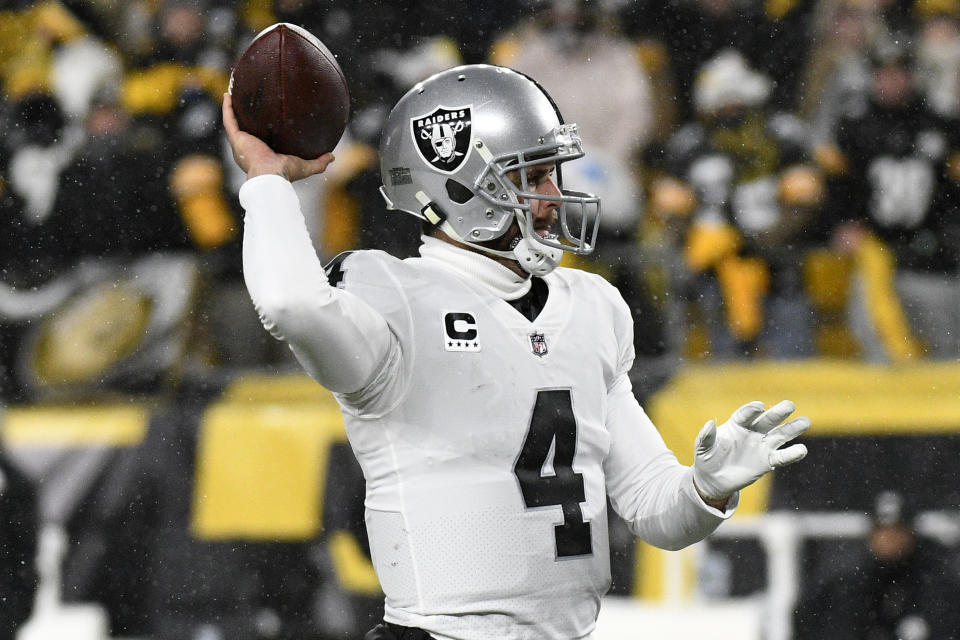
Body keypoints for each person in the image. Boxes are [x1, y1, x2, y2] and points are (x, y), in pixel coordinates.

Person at [223, 64, 811, 640]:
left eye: (553, 174)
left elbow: (657, 510)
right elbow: (291, 304)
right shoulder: (393, 294)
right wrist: (268, 182)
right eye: (533, 177)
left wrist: (707, 488)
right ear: (457, 185)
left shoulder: (591, 305)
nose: (555, 196)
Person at [794, 490, 960, 640]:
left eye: (897, 530)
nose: (888, 538)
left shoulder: (937, 589)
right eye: (881, 531)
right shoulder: (846, 587)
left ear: (911, 534)